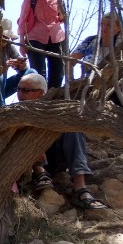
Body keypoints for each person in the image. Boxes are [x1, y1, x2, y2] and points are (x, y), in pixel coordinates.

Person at [16, 73, 106, 209]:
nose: (20, 94)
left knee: (72, 129)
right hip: (30, 163)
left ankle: (80, 188)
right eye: (19, 89)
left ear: (41, 93)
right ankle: (40, 174)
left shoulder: (53, 110)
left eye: (26, 90)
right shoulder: (14, 112)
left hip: (56, 158)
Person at [18, 0, 67, 88]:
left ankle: (53, 98)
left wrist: (62, 12)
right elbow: (23, 20)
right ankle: (40, 99)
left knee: (58, 71)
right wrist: (22, 41)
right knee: (38, 73)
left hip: (57, 37)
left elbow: (62, 18)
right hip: (35, 38)